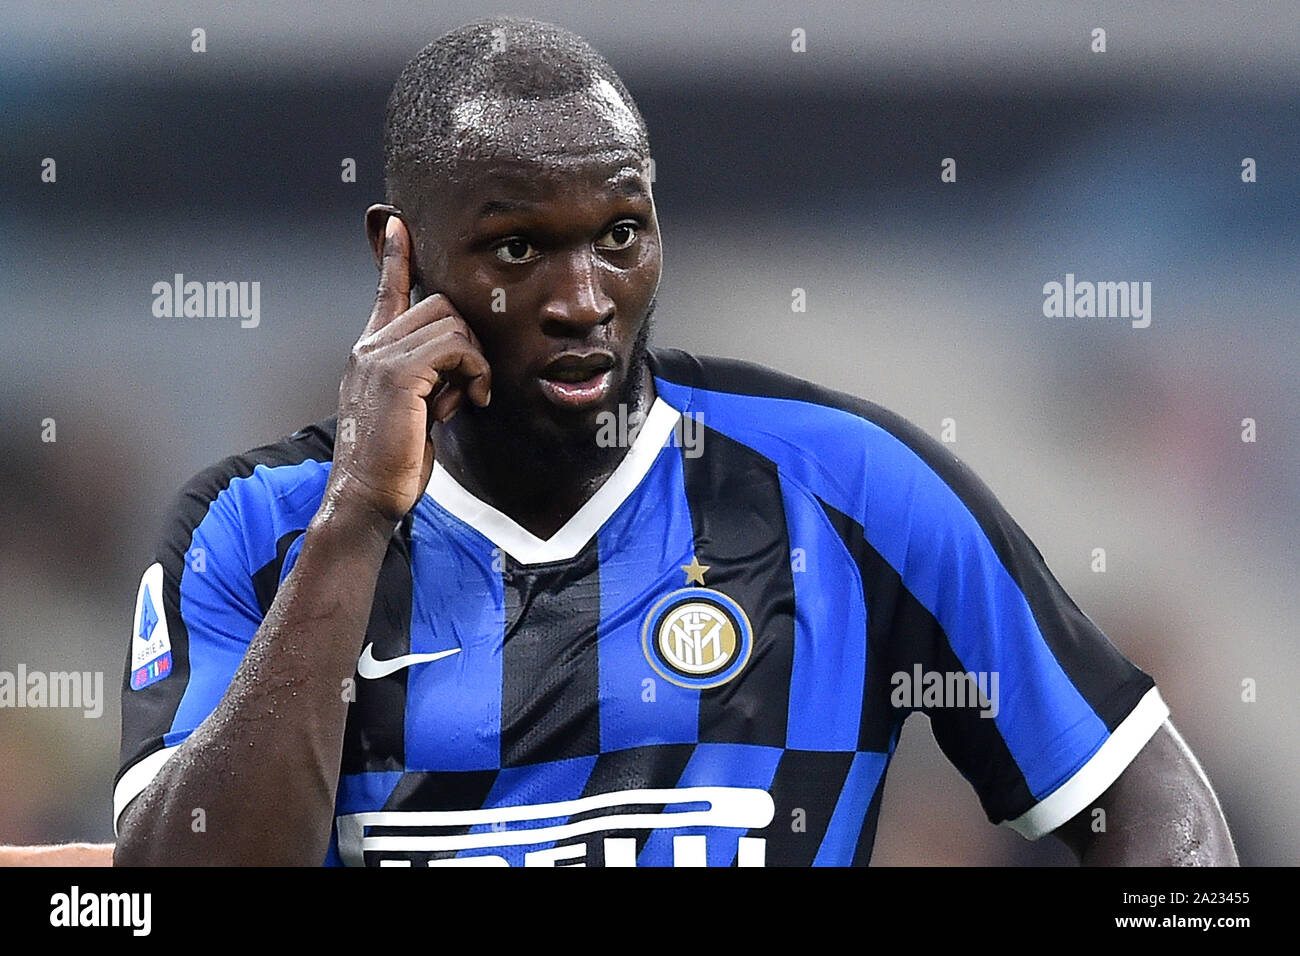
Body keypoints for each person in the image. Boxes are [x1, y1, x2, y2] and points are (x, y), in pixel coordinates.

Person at [112, 16, 1236, 867]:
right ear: (399, 254)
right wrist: (358, 512)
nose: (583, 297)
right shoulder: (254, 527)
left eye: (619, 234)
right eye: (516, 249)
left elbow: (1150, 802)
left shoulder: (846, 489)